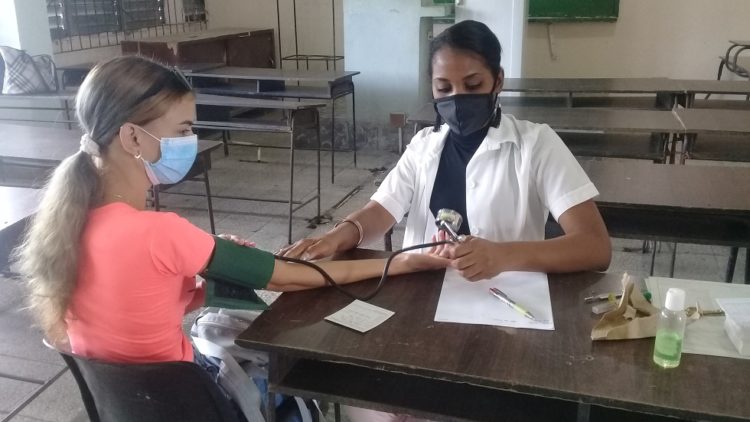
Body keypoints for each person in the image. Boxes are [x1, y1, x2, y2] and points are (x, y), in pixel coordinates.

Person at [14, 56, 448, 369]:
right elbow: (286, 277)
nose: (191, 140)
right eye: (182, 130)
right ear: (132, 137)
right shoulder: (160, 231)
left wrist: (211, 278)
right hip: (188, 405)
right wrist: (402, 261)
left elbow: (142, 303)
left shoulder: (69, 221)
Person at [281, 20, 611, 284]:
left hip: (504, 298)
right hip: (420, 292)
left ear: (498, 81)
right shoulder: (424, 144)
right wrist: (338, 236)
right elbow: (382, 210)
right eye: (444, 88)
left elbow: (595, 246)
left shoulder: (536, 144)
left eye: (472, 85)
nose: (457, 98)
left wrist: (502, 256)